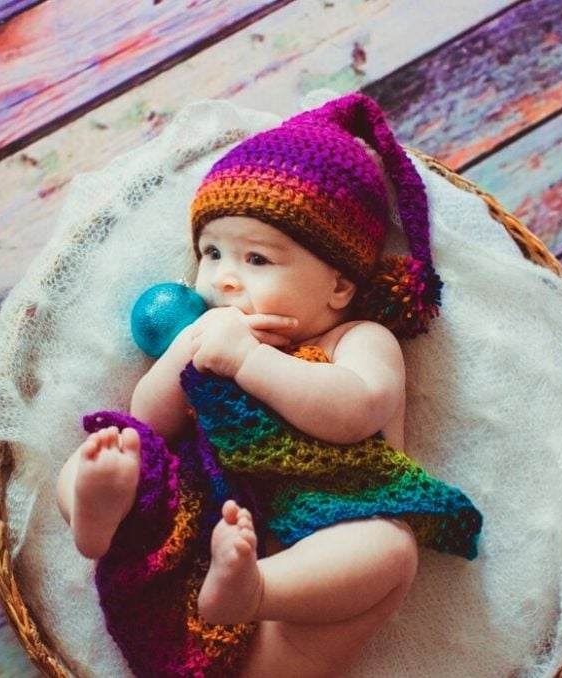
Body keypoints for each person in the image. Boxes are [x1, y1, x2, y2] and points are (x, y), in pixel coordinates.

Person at [56, 93, 481, 677]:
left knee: (389, 552)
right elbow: (152, 416)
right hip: (193, 535)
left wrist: (248, 361)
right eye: (211, 253)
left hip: (299, 589)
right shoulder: (208, 338)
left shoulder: (356, 340)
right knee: (115, 447)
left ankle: (256, 589)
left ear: (337, 285)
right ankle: (95, 521)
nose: (225, 279)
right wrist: (191, 349)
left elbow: (355, 411)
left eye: (257, 259)